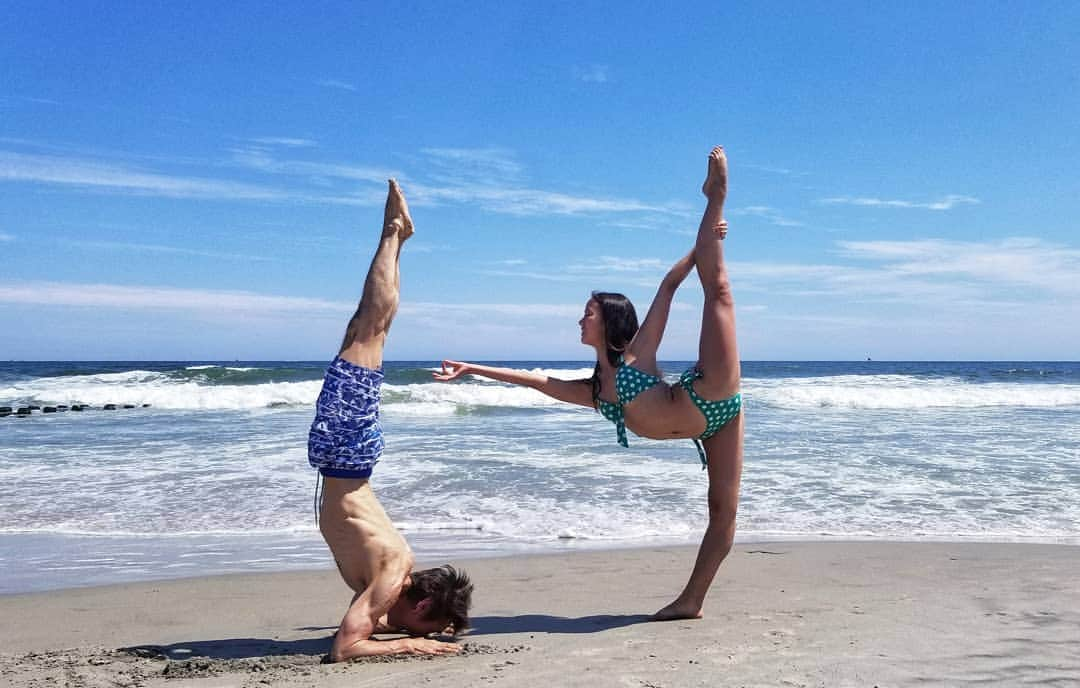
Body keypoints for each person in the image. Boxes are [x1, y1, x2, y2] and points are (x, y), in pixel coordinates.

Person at [435, 147, 741, 621]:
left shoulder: (638, 354)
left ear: (608, 320)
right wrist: (473, 368)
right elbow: (537, 381)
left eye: (588, 312)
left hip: (712, 397)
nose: (580, 318)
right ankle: (691, 603)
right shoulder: (595, 393)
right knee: (718, 510)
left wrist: (702, 243)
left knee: (718, 292)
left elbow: (668, 286)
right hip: (708, 425)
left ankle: (714, 198)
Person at [309, 179, 473, 661]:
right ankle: (392, 232)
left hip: (347, 457)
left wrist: (412, 632)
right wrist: (413, 645)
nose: (423, 630)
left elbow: (367, 625)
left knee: (368, 327)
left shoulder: (393, 573)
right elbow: (347, 647)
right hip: (344, 454)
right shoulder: (393, 571)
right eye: (430, 621)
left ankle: (398, 238)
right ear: (420, 601)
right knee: (370, 326)